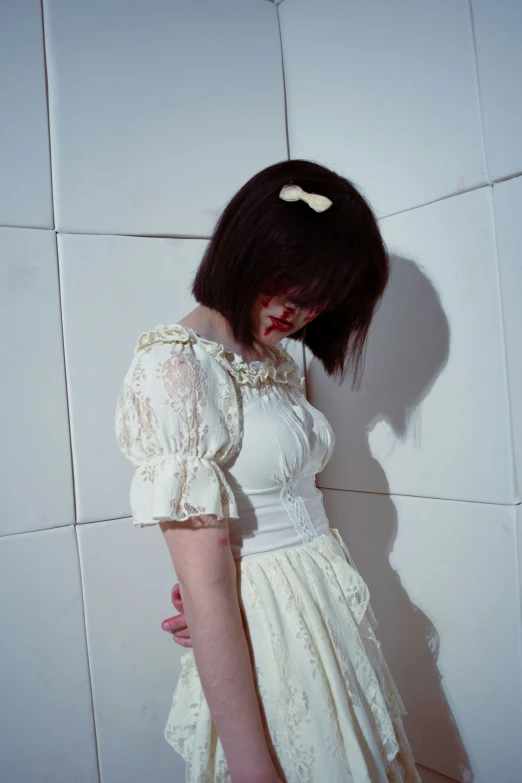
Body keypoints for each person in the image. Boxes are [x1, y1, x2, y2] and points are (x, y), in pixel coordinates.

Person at [115, 159, 421, 783]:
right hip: (273, 641)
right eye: (292, 277)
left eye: (322, 291)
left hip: (324, 617)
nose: (302, 305)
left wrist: (237, 580)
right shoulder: (174, 367)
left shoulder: (275, 359)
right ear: (247, 246)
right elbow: (207, 585)